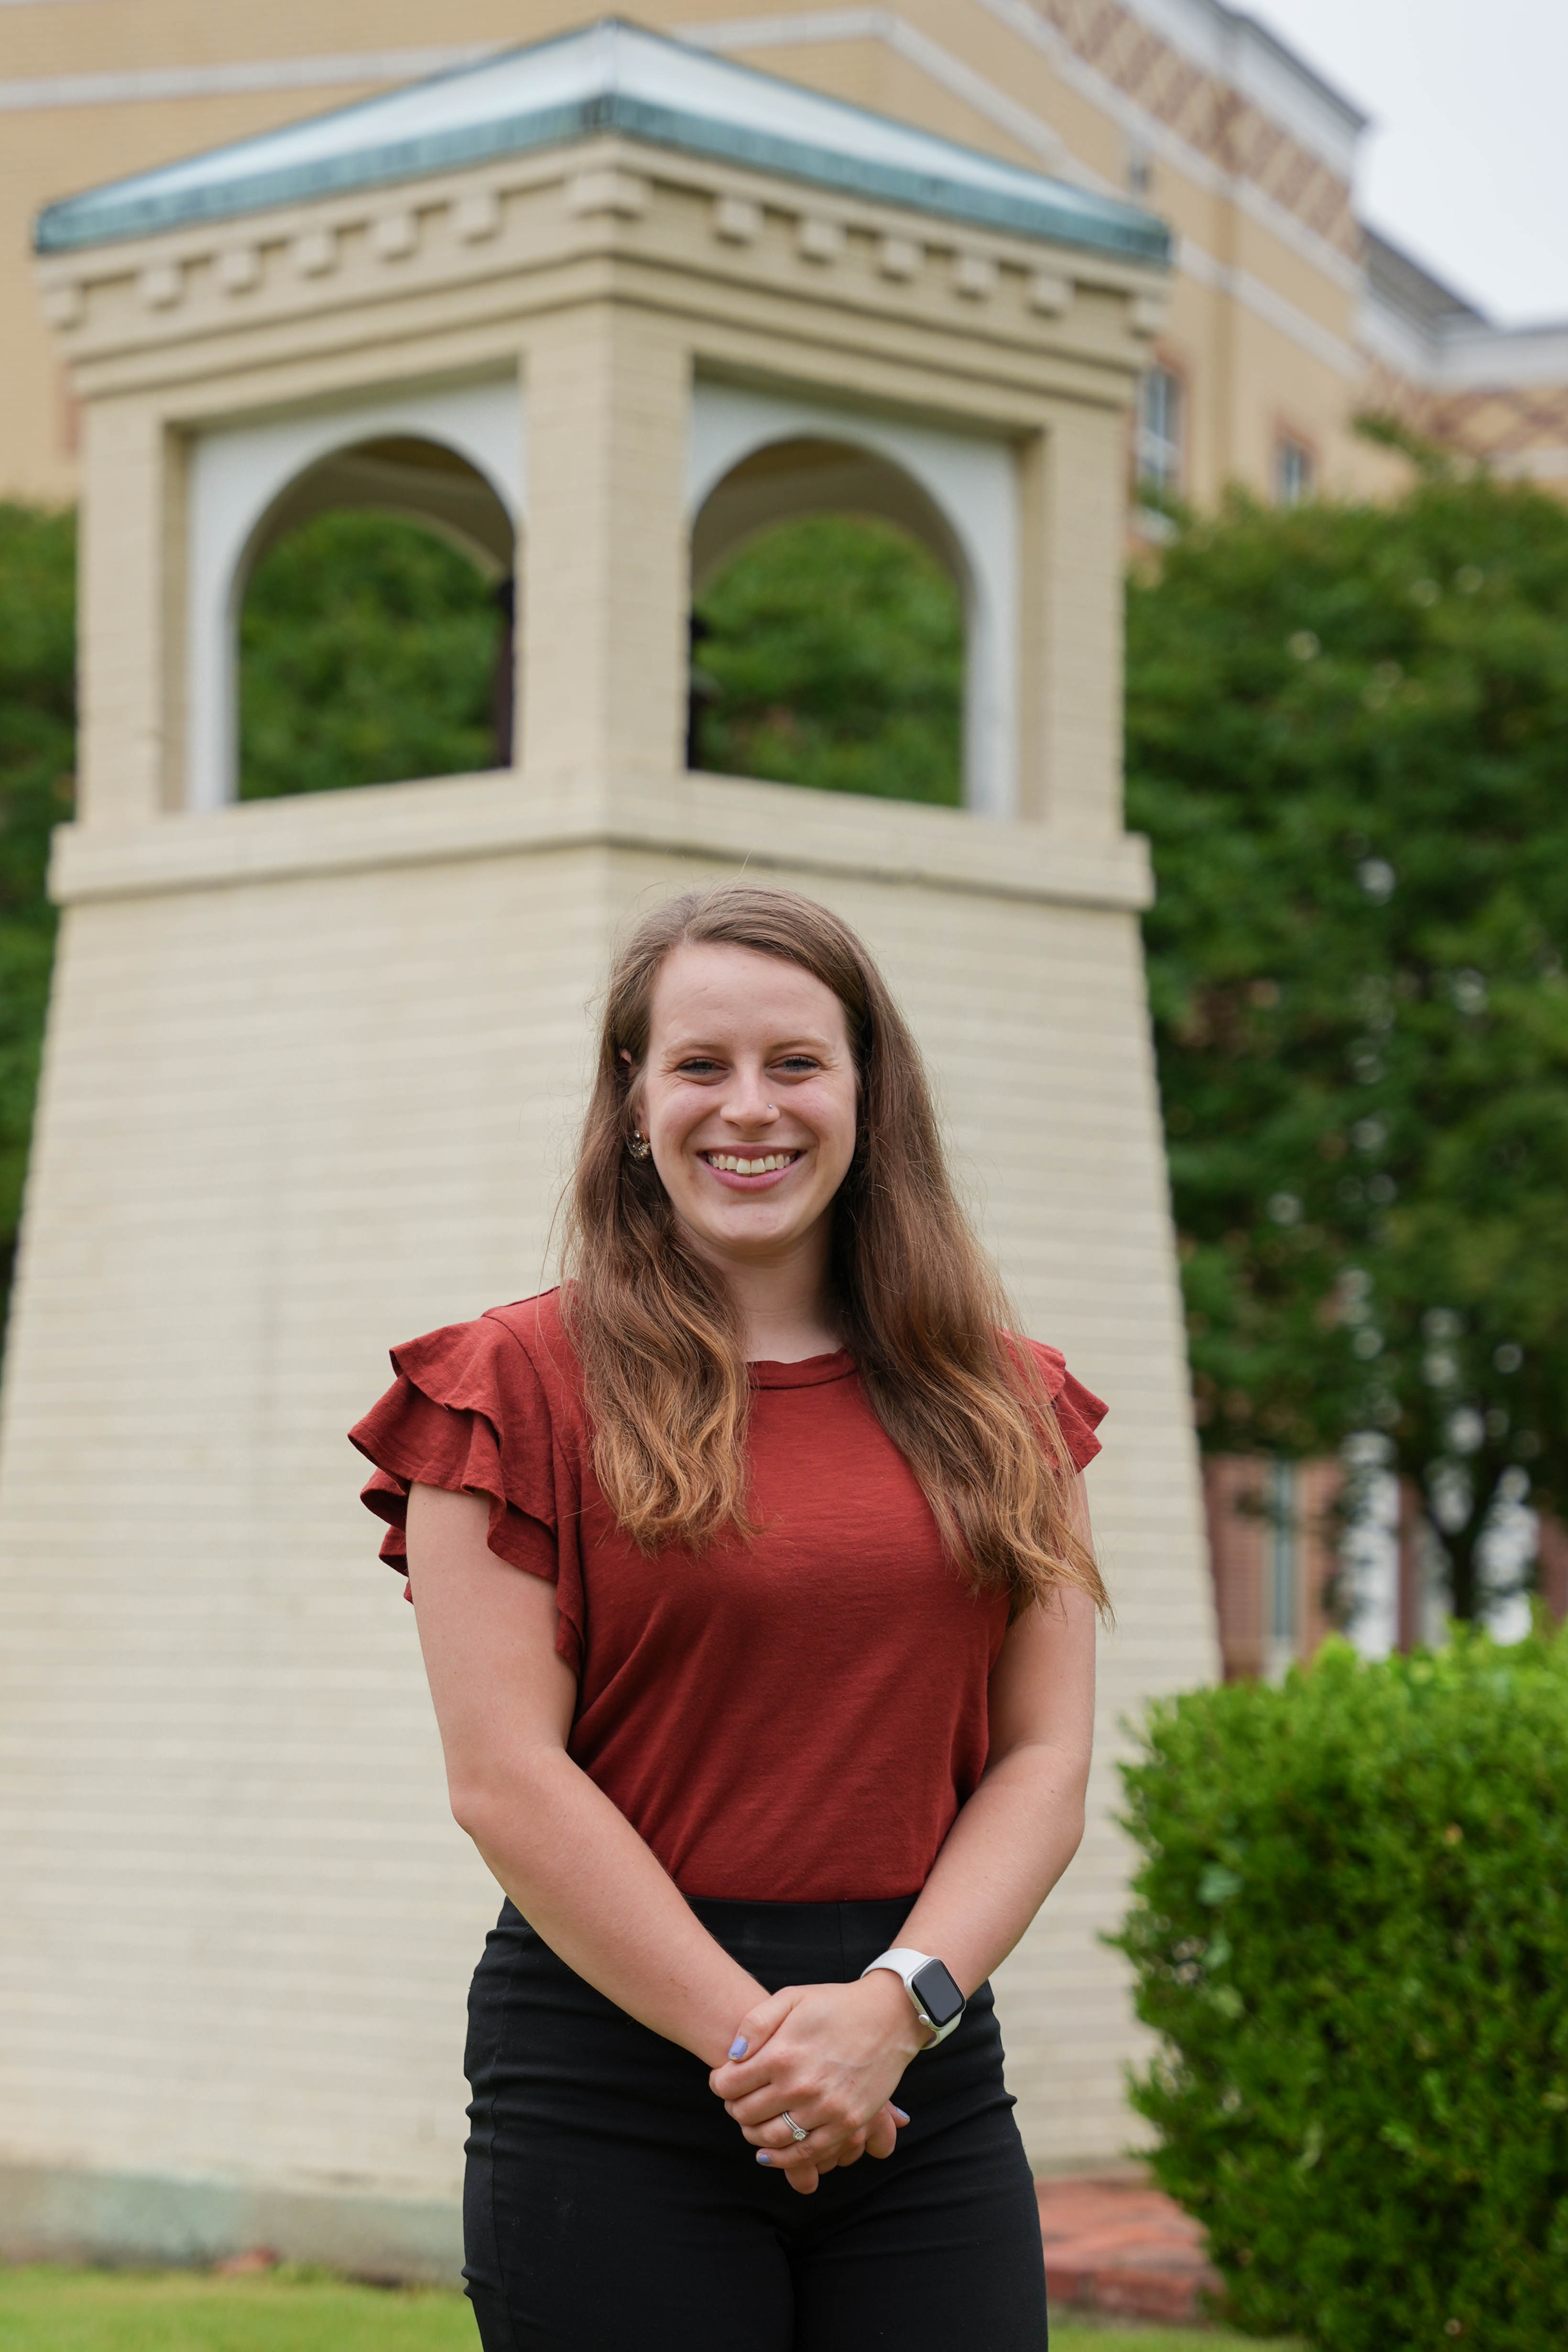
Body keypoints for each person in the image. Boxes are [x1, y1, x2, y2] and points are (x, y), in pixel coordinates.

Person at [349, 882, 1108, 2351]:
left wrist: (891, 2014)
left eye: (797, 1064)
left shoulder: (1007, 1403)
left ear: (868, 1097)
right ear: (632, 1101)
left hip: (920, 2064)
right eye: (698, 1065)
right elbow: (507, 1777)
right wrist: (772, 2050)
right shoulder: (505, 1388)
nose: (746, 1108)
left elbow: (1044, 1764)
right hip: (612, 2077)